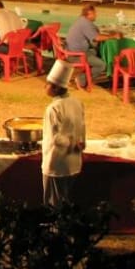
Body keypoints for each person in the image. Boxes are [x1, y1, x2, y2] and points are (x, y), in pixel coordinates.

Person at [41, 59, 86, 206]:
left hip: (57, 164)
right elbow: (82, 128)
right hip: (74, 163)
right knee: (69, 204)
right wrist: (80, 143)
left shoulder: (53, 109)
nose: (44, 86)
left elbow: (56, 138)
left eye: (47, 84)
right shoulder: (77, 103)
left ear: (55, 88)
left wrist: (71, 143)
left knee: (54, 205)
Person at [64, 4, 118, 88]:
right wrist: (113, 36)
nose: (96, 15)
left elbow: (93, 31)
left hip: (72, 51)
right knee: (102, 65)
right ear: (90, 14)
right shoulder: (85, 24)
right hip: (76, 55)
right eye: (95, 13)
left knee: (95, 51)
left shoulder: (81, 20)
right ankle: (81, 79)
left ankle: (89, 73)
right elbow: (97, 38)